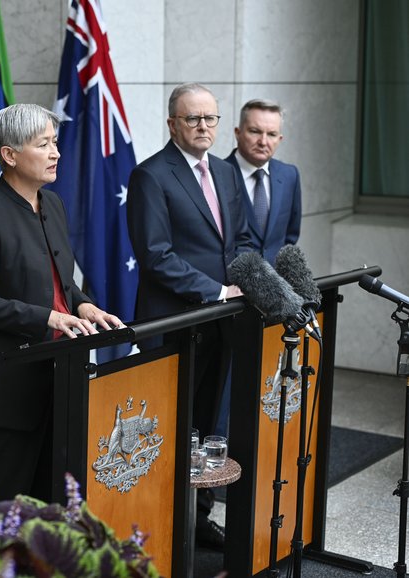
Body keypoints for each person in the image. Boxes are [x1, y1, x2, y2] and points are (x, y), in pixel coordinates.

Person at [0, 103, 122, 503]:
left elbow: (61, 284)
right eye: (43, 144)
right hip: (5, 385)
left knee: (52, 497)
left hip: (58, 374)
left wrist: (82, 306)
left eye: (55, 142)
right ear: (9, 155)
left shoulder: (53, 205)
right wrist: (47, 316)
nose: (56, 152)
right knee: (3, 502)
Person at [126, 83, 252, 549]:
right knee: (172, 427)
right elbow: (155, 256)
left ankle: (198, 520)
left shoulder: (225, 171)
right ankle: (159, 523)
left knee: (209, 424)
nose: (204, 126)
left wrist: (247, 284)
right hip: (174, 326)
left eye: (211, 119)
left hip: (222, 323)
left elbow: (238, 240)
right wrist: (217, 290)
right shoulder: (150, 176)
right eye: (193, 118)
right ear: (172, 123)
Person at [225, 98, 301, 265]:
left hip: (276, 284)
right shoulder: (216, 175)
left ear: (279, 139)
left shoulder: (290, 175)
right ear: (238, 133)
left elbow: (290, 237)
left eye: (272, 134)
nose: (263, 142)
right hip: (232, 285)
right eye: (255, 131)